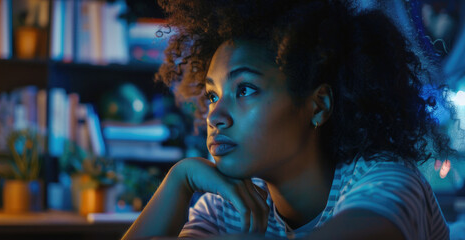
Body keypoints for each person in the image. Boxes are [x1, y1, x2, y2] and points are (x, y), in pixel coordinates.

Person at [122, 0, 456, 239]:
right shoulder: (229, 205)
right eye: (212, 95)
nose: (216, 116)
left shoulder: (386, 179)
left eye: (246, 89)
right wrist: (178, 181)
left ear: (317, 105)